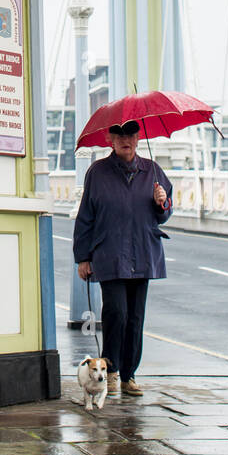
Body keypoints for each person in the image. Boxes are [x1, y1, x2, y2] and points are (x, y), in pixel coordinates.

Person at [72, 118, 172, 397]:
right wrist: (83, 257)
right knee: (116, 313)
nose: (126, 140)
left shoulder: (152, 171)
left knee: (135, 318)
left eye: (131, 135)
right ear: (110, 141)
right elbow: (86, 217)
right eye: (120, 136)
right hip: (109, 254)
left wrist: (161, 201)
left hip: (143, 253)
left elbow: (164, 212)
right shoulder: (98, 173)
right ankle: (111, 370)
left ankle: (129, 375)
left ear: (139, 139)